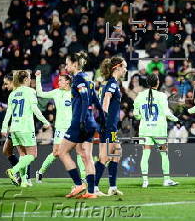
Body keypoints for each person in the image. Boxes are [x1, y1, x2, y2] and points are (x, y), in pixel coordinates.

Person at [58, 52, 100, 199]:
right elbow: (95, 98)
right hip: (90, 122)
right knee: (85, 156)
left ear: (75, 64)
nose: (66, 66)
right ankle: (91, 191)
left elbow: (85, 98)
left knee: (61, 152)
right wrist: (101, 115)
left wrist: (81, 120)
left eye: (68, 63)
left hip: (79, 122)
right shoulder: (88, 80)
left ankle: (78, 184)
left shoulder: (78, 80)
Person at [34, 70, 86, 183]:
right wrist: (38, 78)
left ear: (67, 82)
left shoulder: (74, 93)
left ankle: (83, 177)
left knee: (79, 150)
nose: (58, 82)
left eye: (61, 80)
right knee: (56, 152)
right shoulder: (56, 92)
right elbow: (40, 93)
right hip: (60, 128)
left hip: (73, 127)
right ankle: (40, 172)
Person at [3, 70, 51, 187]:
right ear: (25, 80)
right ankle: (13, 171)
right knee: (32, 155)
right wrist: (45, 122)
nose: (31, 80)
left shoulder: (13, 93)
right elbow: (35, 110)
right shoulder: (30, 91)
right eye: (29, 78)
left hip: (14, 128)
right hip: (26, 128)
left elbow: (8, 113)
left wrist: (4, 127)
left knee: (23, 156)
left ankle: (24, 181)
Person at [133, 73, 179, 188]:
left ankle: (145, 181)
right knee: (164, 154)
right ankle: (166, 180)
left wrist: (141, 117)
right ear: (157, 83)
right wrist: (176, 119)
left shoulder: (140, 95)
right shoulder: (162, 95)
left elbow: (136, 114)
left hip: (145, 130)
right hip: (158, 130)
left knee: (145, 154)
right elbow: (167, 112)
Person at [94, 56, 127, 196]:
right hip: (108, 124)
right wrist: (105, 116)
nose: (125, 69)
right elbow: (106, 98)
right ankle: (93, 186)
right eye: (124, 67)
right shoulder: (112, 83)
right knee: (104, 156)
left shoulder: (109, 82)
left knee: (116, 153)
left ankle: (112, 187)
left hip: (110, 125)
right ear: (117, 67)